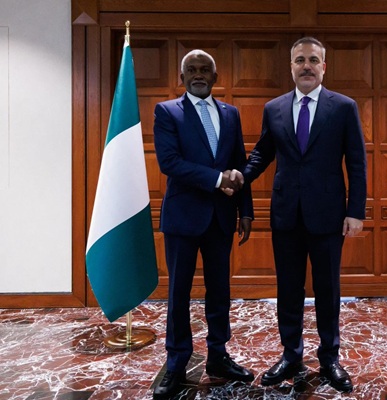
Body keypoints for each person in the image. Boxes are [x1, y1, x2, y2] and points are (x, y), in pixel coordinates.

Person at [243, 37, 367, 393]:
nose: (307, 66)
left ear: (324, 67)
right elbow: (263, 153)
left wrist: (355, 211)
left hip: (328, 216)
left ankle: (329, 358)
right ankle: (291, 355)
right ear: (291, 67)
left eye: (313, 60)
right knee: (288, 289)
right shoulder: (274, 108)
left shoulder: (343, 107)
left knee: (328, 289)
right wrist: (238, 177)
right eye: (300, 60)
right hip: (286, 215)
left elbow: (357, 163)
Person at [152, 49, 254, 398]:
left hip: (221, 218)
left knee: (219, 290)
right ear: (181, 78)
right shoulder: (167, 111)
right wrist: (217, 179)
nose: (198, 74)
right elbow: (169, 162)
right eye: (191, 70)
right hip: (183, 218)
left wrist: (245, 211)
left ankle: (218, 356)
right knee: (178, 293)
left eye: (205, 70)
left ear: (215, 77)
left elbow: (240, 163)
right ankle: (176, 362)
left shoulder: (231, 113)